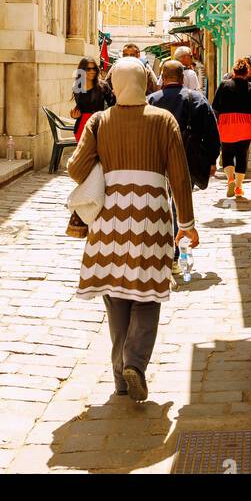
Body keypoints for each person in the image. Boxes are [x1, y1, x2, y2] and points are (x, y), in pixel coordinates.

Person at [67, 57, 199, 402]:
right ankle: (136, 363)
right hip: (152, 216)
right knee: (148, 291)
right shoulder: (163, 120)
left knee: (116, 293)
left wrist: (105, 164)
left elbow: (75, 168)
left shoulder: (100, 121)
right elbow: (180, 175)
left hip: (110, 217)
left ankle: (120, 376)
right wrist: (187, 224)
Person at [150, 58, 220, 189]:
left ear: (163, 77)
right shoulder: (197, 99)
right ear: (182, 78)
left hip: (158, 157)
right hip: (188, 158)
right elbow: (211, 132)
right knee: (184, 194)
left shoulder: (152, 100)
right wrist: (212, 160)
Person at [65, 58, 110, 239]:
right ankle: (87, 189)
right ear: (82, 70)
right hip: (83, 126)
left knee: (97, 160)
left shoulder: (103, 87)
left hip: (98, 125)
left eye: (94, 68)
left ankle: (94, 189)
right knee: (86, 161)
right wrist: (74, 113)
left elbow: (111, 105)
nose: (92, 71)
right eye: (88, 69)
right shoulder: (79, 86)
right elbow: (78, 107)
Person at [212, 57, 251, 198]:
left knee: (227, 153)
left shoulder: (224, 85)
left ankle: (230, 180)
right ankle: (239, 187)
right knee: (242, 154)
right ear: (247, 72)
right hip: (246, 124)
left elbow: (215, 105)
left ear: (233, 72)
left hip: (228, 123)